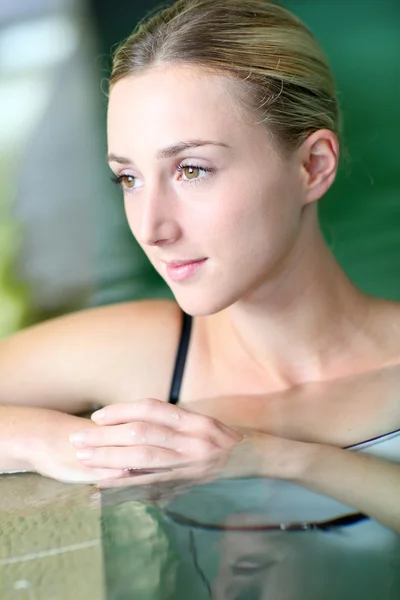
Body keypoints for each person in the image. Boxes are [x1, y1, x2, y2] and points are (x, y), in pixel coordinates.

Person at [0, 0, 399, 532]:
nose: (151, 227)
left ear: (312, 166)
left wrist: (276, 458)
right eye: (129, 178)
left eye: (191, 170)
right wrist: (61, 443)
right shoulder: (144, 353)